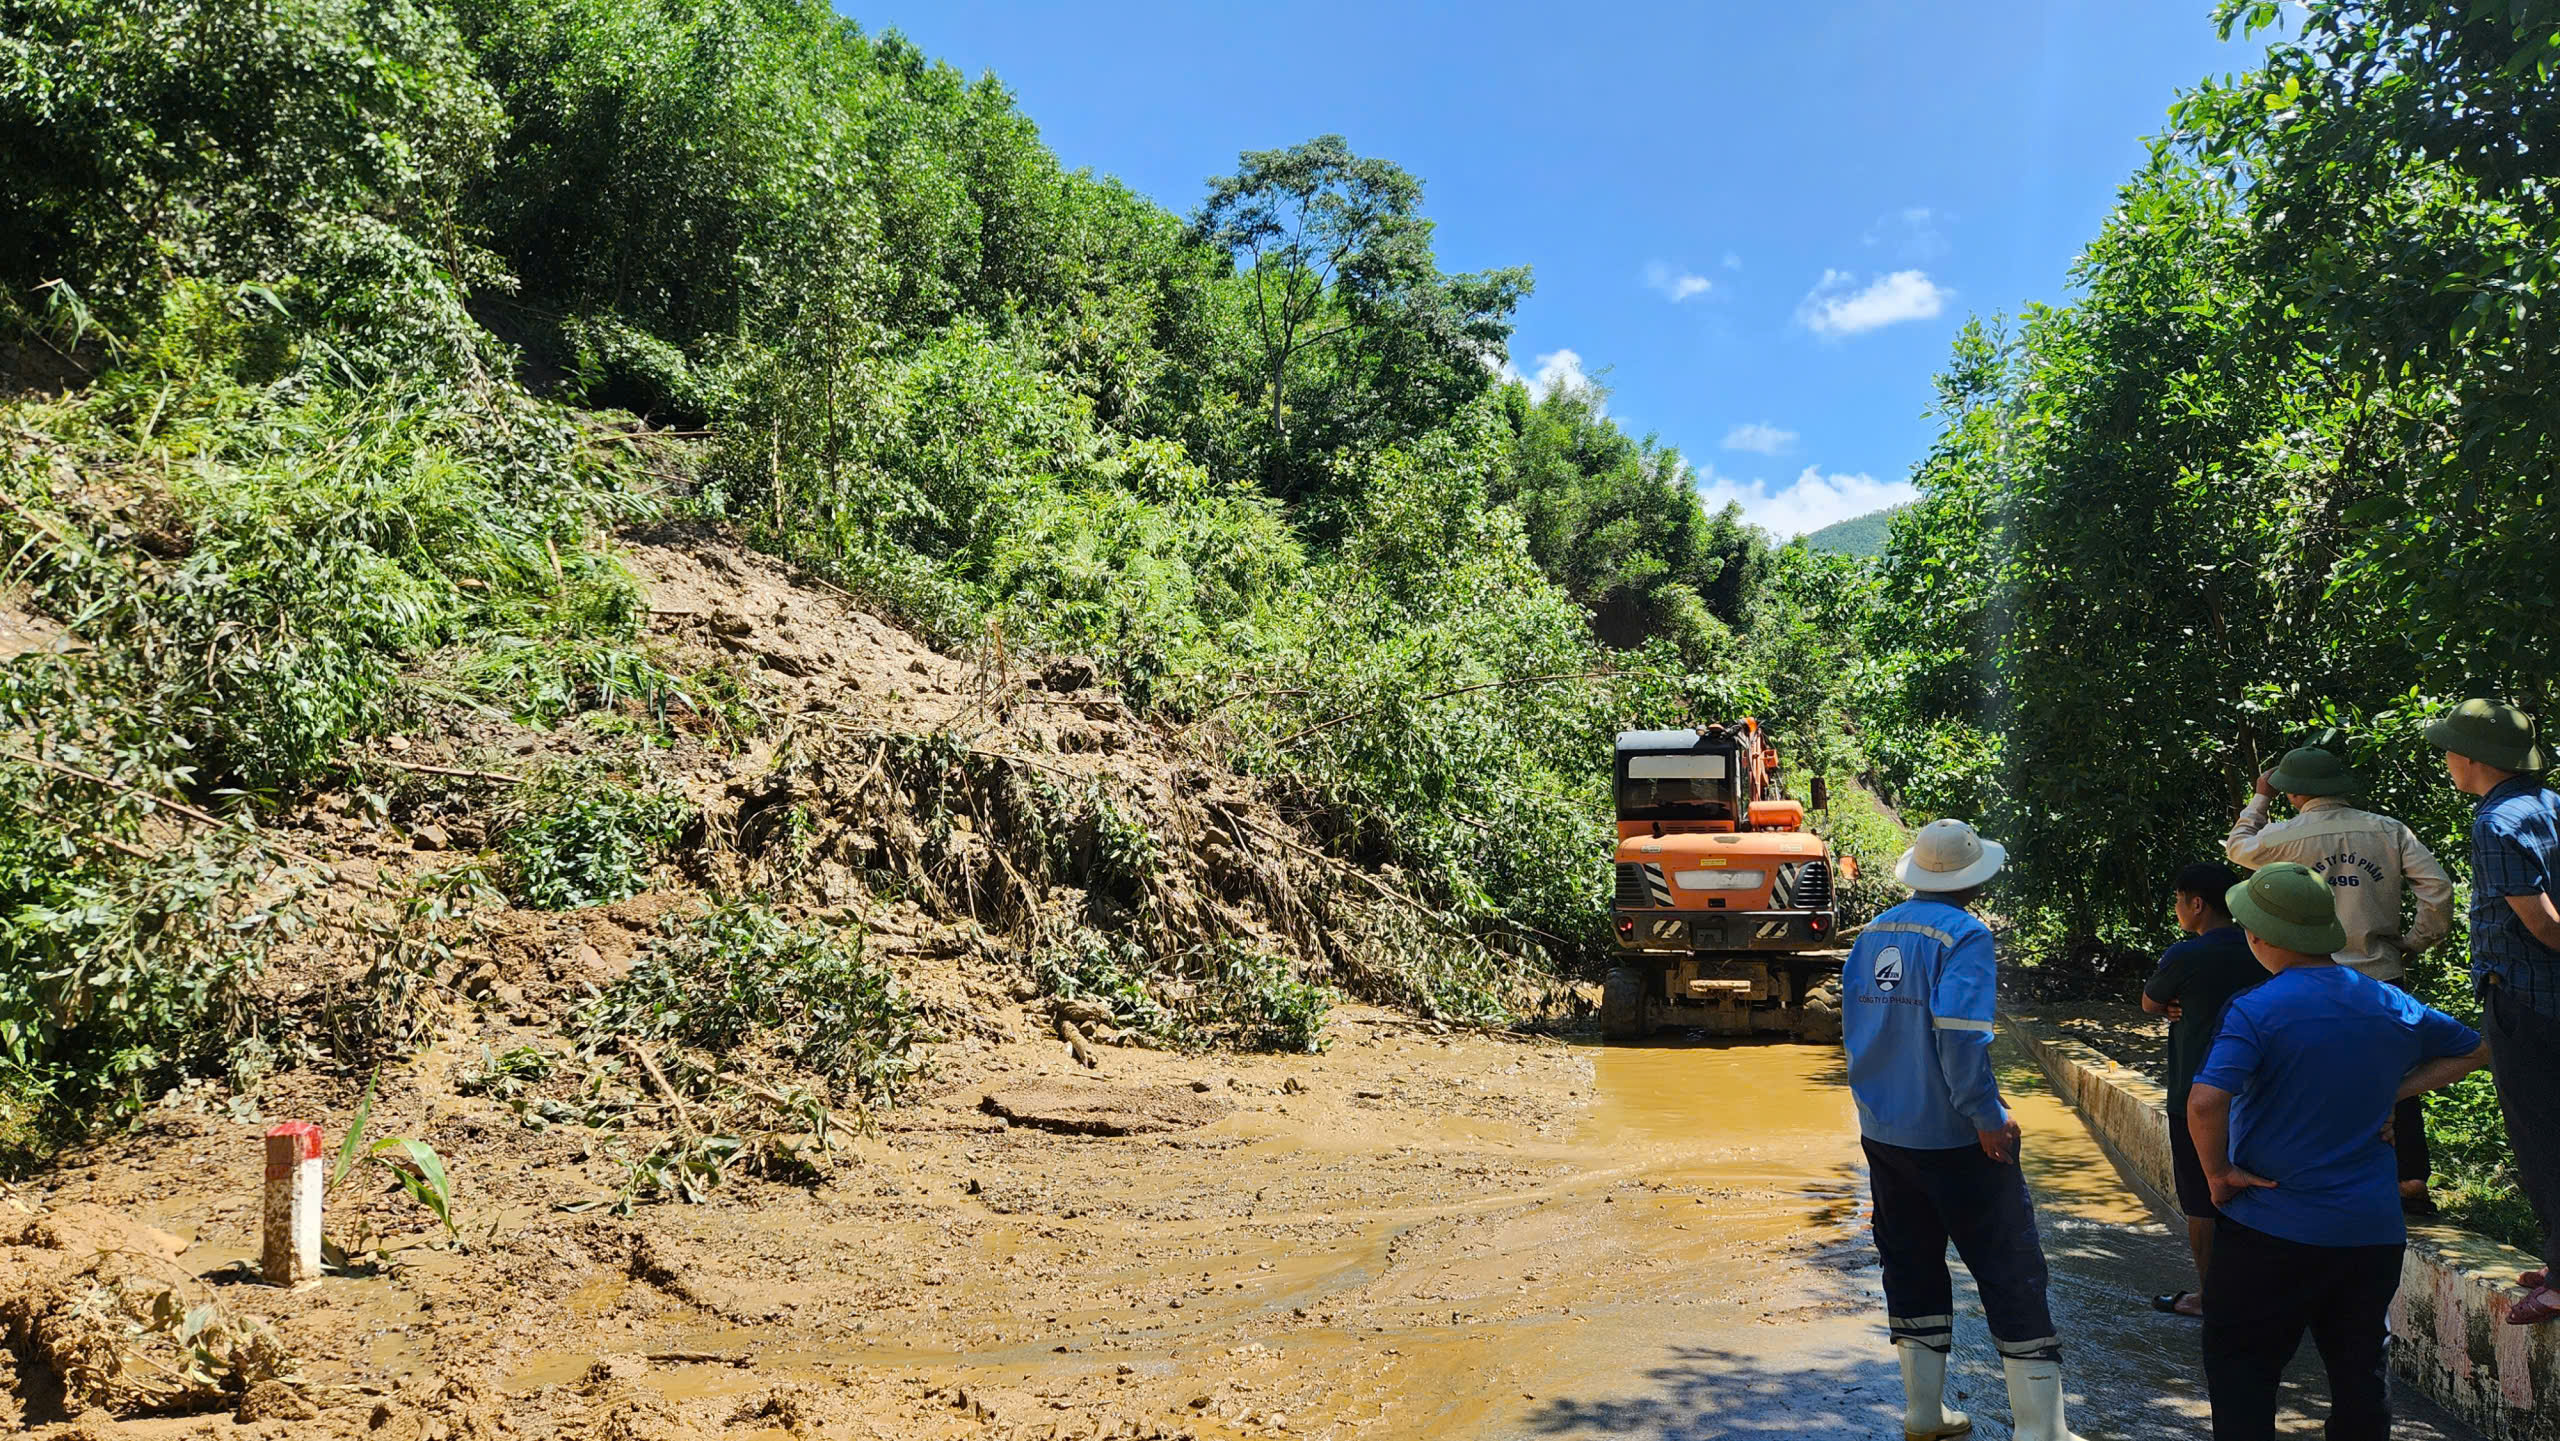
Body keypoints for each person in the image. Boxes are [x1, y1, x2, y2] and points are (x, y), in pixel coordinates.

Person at [2188, 863, 2489, 1440]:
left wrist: (2219, 1174)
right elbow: (2477, 1051)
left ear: (2260, 937)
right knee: (2360, 1378)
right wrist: (2390, 1093)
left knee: (2243, 1372)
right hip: (2370, 1233)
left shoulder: (2257, 1007)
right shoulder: (2389, 1003)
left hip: (2271, 1227)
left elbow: (2205, 1103)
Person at [1844, 818, 2084, 1441]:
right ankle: (2041, 1429)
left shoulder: (1873, 932)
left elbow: (1855, 1028)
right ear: (1977, 878)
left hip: (1885, 1133)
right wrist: (1989, 1117)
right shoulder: (1967, 935)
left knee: (1910, 1261)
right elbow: (1959, 1035)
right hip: (1955, 1137)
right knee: (2010, 1265)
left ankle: (1924, 1413)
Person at [2223, 742, 2455, 1211]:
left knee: (2310, 1079)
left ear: (2293, 793)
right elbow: (2437, 889)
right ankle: (2409, 1179)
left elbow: (2237, 847)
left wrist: (2259, 798)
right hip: (2380, 974)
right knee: (2397, 1078)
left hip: (2310, 977)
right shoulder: (2388, 830)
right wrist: (2414, 941)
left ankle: (2317, 1178)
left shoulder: (2285, 835)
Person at [2427, 697, 2560, 1325]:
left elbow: (2541, 923)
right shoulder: (2548, 803)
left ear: (2473, 758)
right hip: (2549, 998)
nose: (2446, 760)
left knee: (2540, 1135)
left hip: (2525, 998)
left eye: (2450, 750)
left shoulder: (2496, 821)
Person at [2138, 861, 2261, 1318]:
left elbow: (2150, 1002)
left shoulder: (2186, 955)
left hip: (2195, 1095)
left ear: (2196, 904)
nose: (2176, 908)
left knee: (2201, 1198)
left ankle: (2212, 1298)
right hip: (2256, 1095)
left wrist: (2176, 1002)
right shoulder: (2261, 947)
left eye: (2177, 900)